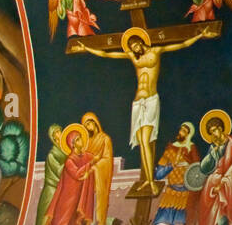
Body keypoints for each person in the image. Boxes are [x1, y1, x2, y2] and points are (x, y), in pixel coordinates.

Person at [72, 26, 210, 195]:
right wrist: (87, 48)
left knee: (146, 141)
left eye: (135, 45)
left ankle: (151, 181)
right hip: (138, 102)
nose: (134, 49)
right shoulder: (132, 56)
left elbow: (180, 44)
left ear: (140, 42)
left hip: (151, 100)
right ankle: (147, 180)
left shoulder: (156, 51)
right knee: (142, 143)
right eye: (131, 47)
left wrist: (200, 35)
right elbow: (108, 54)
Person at [27, 127, 97, 225]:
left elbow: (92, 161)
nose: (81, 141)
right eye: (78, 139)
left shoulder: (85, 156)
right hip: (65, 207)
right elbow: (78, 174)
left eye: (81, 138)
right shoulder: (69, 161)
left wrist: (92, 163)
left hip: (76, 207)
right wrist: (89, 166)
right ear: (72, 144)